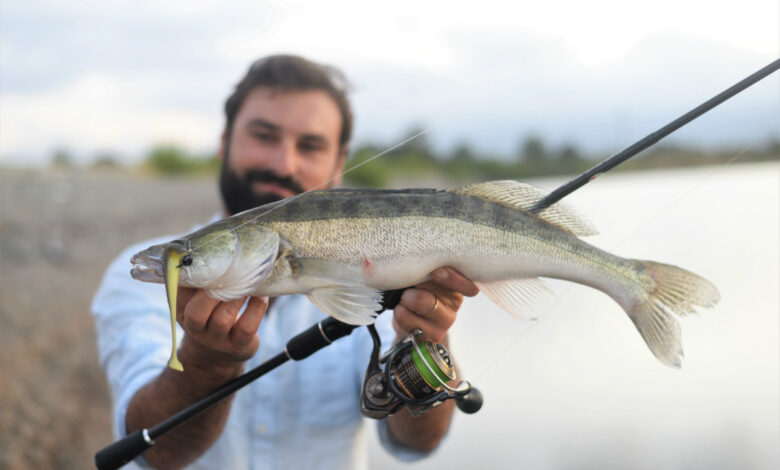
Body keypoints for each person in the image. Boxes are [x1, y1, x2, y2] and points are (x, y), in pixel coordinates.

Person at [92, 55, 479, 470]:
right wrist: (205, 364)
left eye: (310, 145)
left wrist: (425, 343)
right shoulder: (132, 282)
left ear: (338, 164)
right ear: (225, 141)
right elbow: (156, 455)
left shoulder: (381, 271)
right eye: (264, 135)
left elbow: (415, 444)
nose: (283, 164)